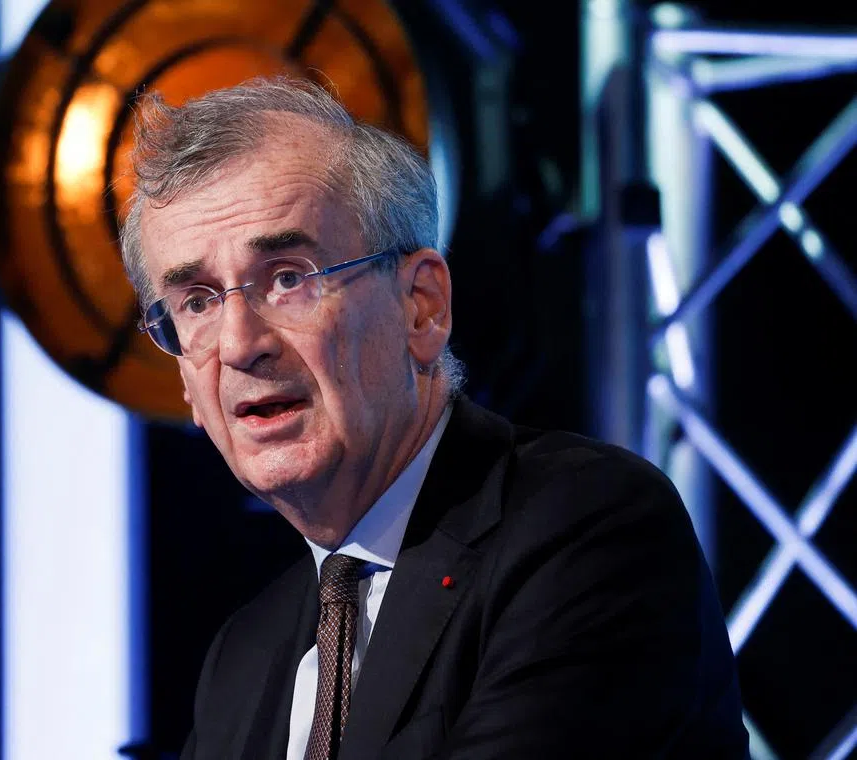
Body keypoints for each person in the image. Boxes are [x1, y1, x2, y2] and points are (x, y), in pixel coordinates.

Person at [118, 77, 747, 759]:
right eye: (197, 302)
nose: (240, 343)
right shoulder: (244, 659)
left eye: (289, 277)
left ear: (421, 307)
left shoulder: (585, 533)